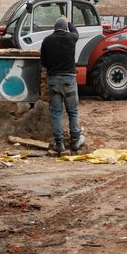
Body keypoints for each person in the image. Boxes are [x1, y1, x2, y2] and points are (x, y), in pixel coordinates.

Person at [40, 15, 85, 154]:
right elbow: (75, 32)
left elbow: (43, 62)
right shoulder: (71, 38)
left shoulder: (47, 40)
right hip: (69, 80)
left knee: (56, 112)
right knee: (73, 111)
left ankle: (59, 143)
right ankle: (75, 140)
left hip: (54, 80)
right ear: (65, 28)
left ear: (54, 28)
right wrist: (68, 21)